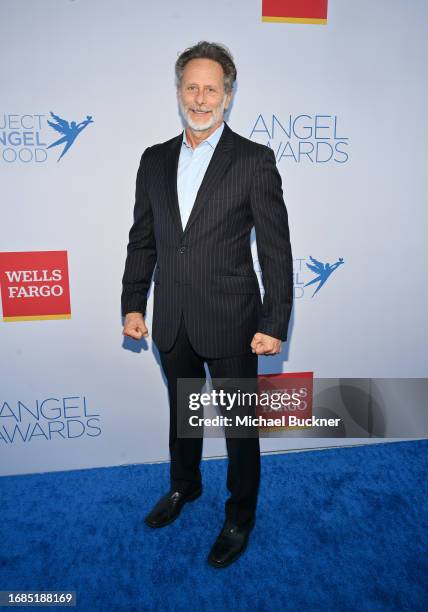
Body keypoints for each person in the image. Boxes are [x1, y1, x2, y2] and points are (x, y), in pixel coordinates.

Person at [121, 41, 293, 568]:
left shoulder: (254, 160)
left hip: (233, 320)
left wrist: (274, 319)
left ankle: (240, 514)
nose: (201, 98)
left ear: (229, 94)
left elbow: (276, 248)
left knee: (240, 428)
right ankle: (184, 486)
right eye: (191, 87)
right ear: (179, 92)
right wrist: (132, 303)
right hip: (170, 317)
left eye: (211, 88)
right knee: (183, 414)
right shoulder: (153, 159)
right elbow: (142, 239)